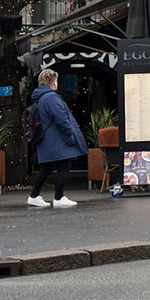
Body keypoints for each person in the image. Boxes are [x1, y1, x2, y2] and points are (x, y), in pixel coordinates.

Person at [26, 67, 87, 209]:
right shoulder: (51, 97)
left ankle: (34, 196)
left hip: (46, 139)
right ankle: (59, 197)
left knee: (46, 168)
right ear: (53, 83)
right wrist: (70, 136)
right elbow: (62, 119)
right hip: (57, 139)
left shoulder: (40, 97)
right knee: (64, 166)